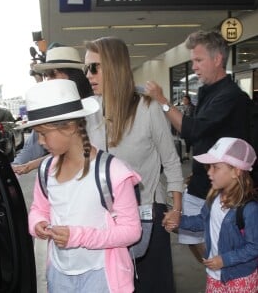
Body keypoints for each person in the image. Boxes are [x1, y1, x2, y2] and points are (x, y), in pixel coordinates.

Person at [21, 79, 142, 293]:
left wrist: (78, 236)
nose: (39, 141)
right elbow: (39, 208)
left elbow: (132, 231)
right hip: (59, 275)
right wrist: (38, 222)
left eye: (43, 133)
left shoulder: (112, 171)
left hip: (101, 276)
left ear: (69, 126)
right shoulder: (46, 169)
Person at [84, 36, 183, 293]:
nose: (88, 74)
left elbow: (171, 161)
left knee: (151, 285)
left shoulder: (147, 108)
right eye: (86, 68)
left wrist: (177, 209)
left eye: (94, 67)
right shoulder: (90, 111)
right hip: (107, 219)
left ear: (114, 67)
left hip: (148, 215)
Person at [145, 30, 251, 263]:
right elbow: (200, 137)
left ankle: (228, 275)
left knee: (225, 243)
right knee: (185, 233)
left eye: (198, 60)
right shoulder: (207, 93)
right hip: (203, 180)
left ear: (217, 60)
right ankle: (220, 273)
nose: (193, 66)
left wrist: (163, 101)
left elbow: (192, 129)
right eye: (192, 60)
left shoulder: (231, 95)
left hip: (226, 187)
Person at [174, 137, 258, 293]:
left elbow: (254, 247)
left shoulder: (249, 209)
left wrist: (225, 260)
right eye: (208, 167)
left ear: (236, 171)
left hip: (238, 280)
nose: (209, 172)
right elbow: (202, 221)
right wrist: (178, 221)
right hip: (214, 275)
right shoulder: (214, 198)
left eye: (215, 167)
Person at [12, 46, 93, 175]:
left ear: (73, 74)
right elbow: (32, 148)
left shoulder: (95, 107)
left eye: (52, 74)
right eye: (46, 75)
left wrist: (32, 164)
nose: (48, 79)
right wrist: (17, 165)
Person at [182, 95, 195, 160]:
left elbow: (192, 117)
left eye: (185, 100)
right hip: (186, 126)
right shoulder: (184, 107)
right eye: (183, 100)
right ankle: (187, 155)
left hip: (191, 126)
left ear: (188, 100)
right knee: (187, 141)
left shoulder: (192, 107)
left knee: (191, 141)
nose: (184, 101)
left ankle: (190, 155)